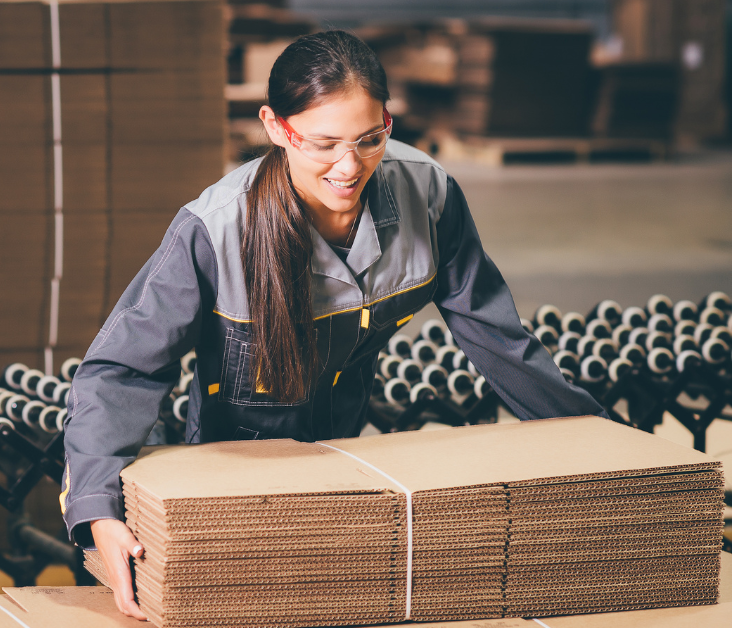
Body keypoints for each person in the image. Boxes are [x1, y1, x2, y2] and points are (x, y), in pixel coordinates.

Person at [59, 30, 607, 620]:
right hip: (227, 481)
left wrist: (599, 442)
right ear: (276, 127)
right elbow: (119, 371)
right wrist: (98, 510)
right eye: (323, 144)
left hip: (346, 458)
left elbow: (497, 337)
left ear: (388, 122)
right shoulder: (213, 230)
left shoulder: (429, 195)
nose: (350, 167)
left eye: (369, 140)